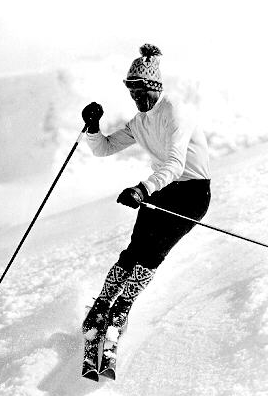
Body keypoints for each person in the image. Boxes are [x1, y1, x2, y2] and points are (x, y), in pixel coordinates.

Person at [81, 44, 211, 335]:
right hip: (163, 189)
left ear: (155, 86)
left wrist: (142, 189)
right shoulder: (139, 122)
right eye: (132, 92)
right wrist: (92, 127)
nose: (137, 97)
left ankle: (121, 311)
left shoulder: (175, 112)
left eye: (142, 90)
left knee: (151, 253)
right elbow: (104, 149)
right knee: (134, 251)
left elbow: (176, 164)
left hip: (191, 195)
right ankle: (102, 306)